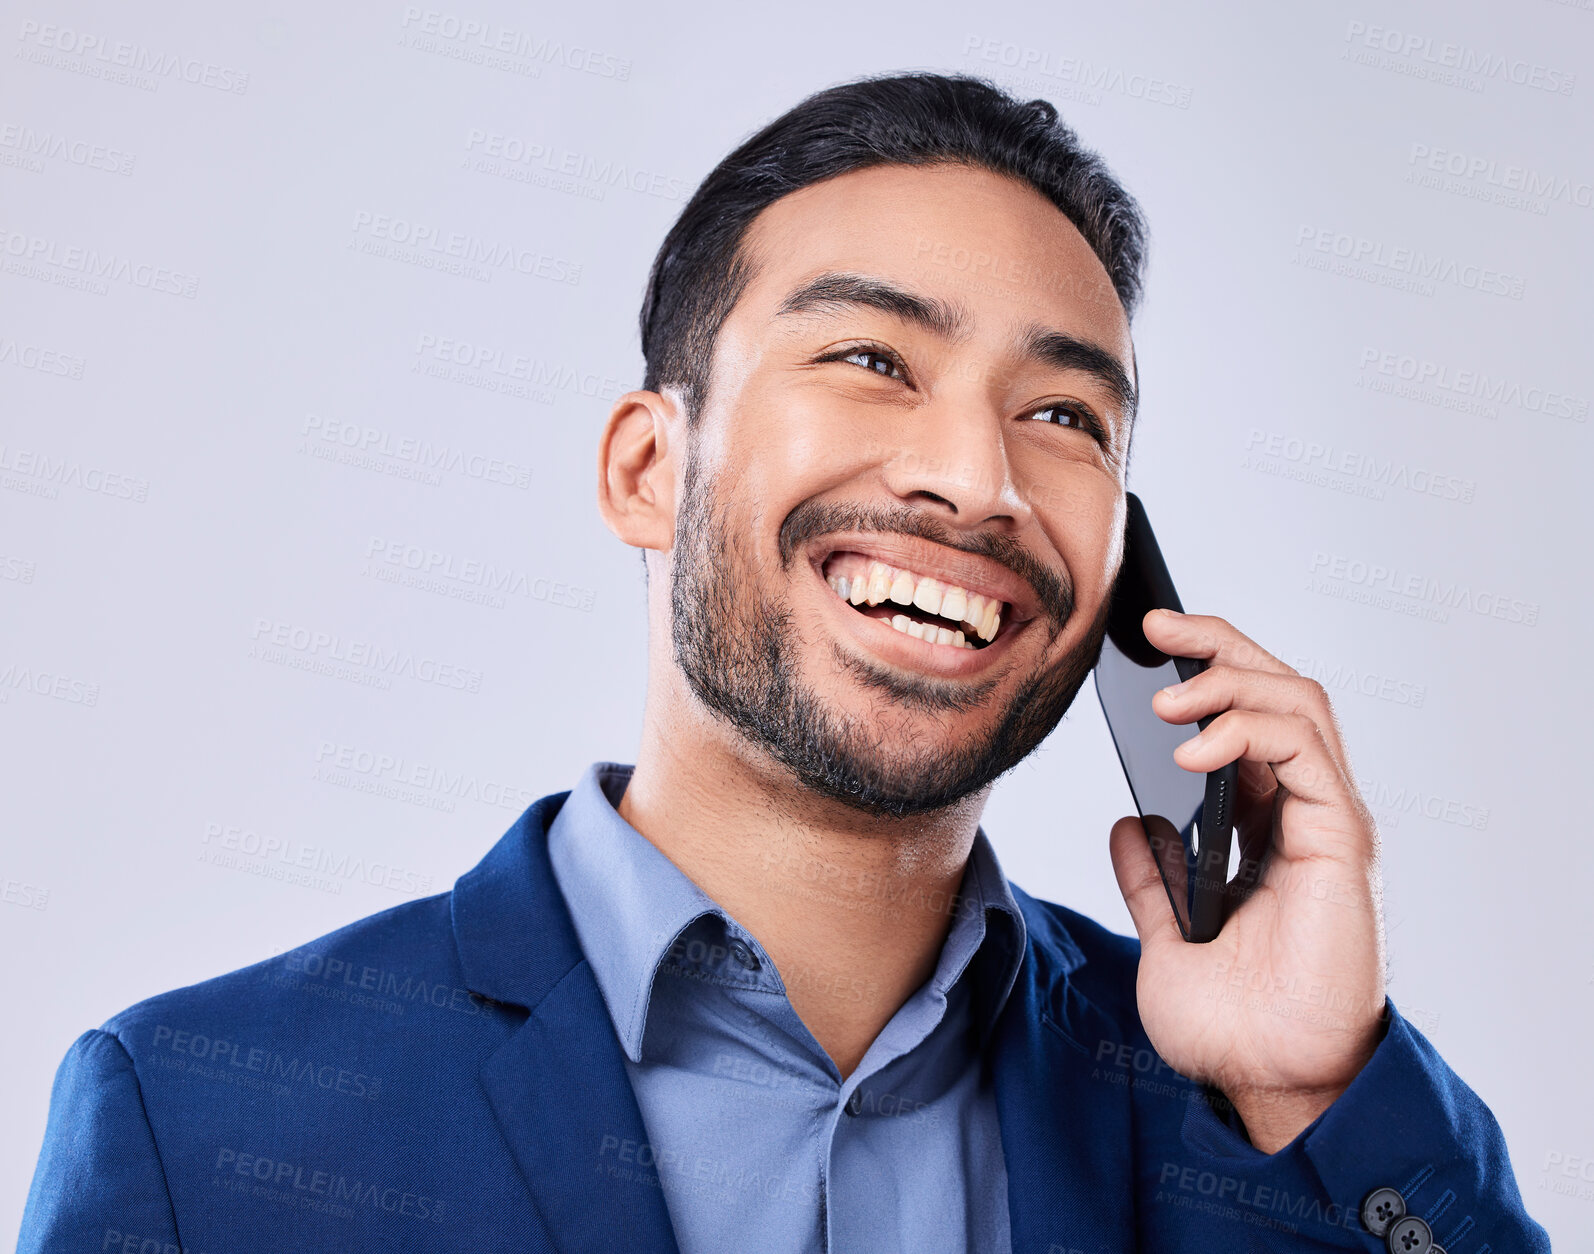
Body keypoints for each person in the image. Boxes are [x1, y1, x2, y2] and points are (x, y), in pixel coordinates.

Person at [18, 72, 1548, 1254]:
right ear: (643, 469)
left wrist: (1314, 1086)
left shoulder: (1259, 1129)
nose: (977, 478)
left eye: (1065, 416)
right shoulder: (203, 1119)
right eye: (873, 358)